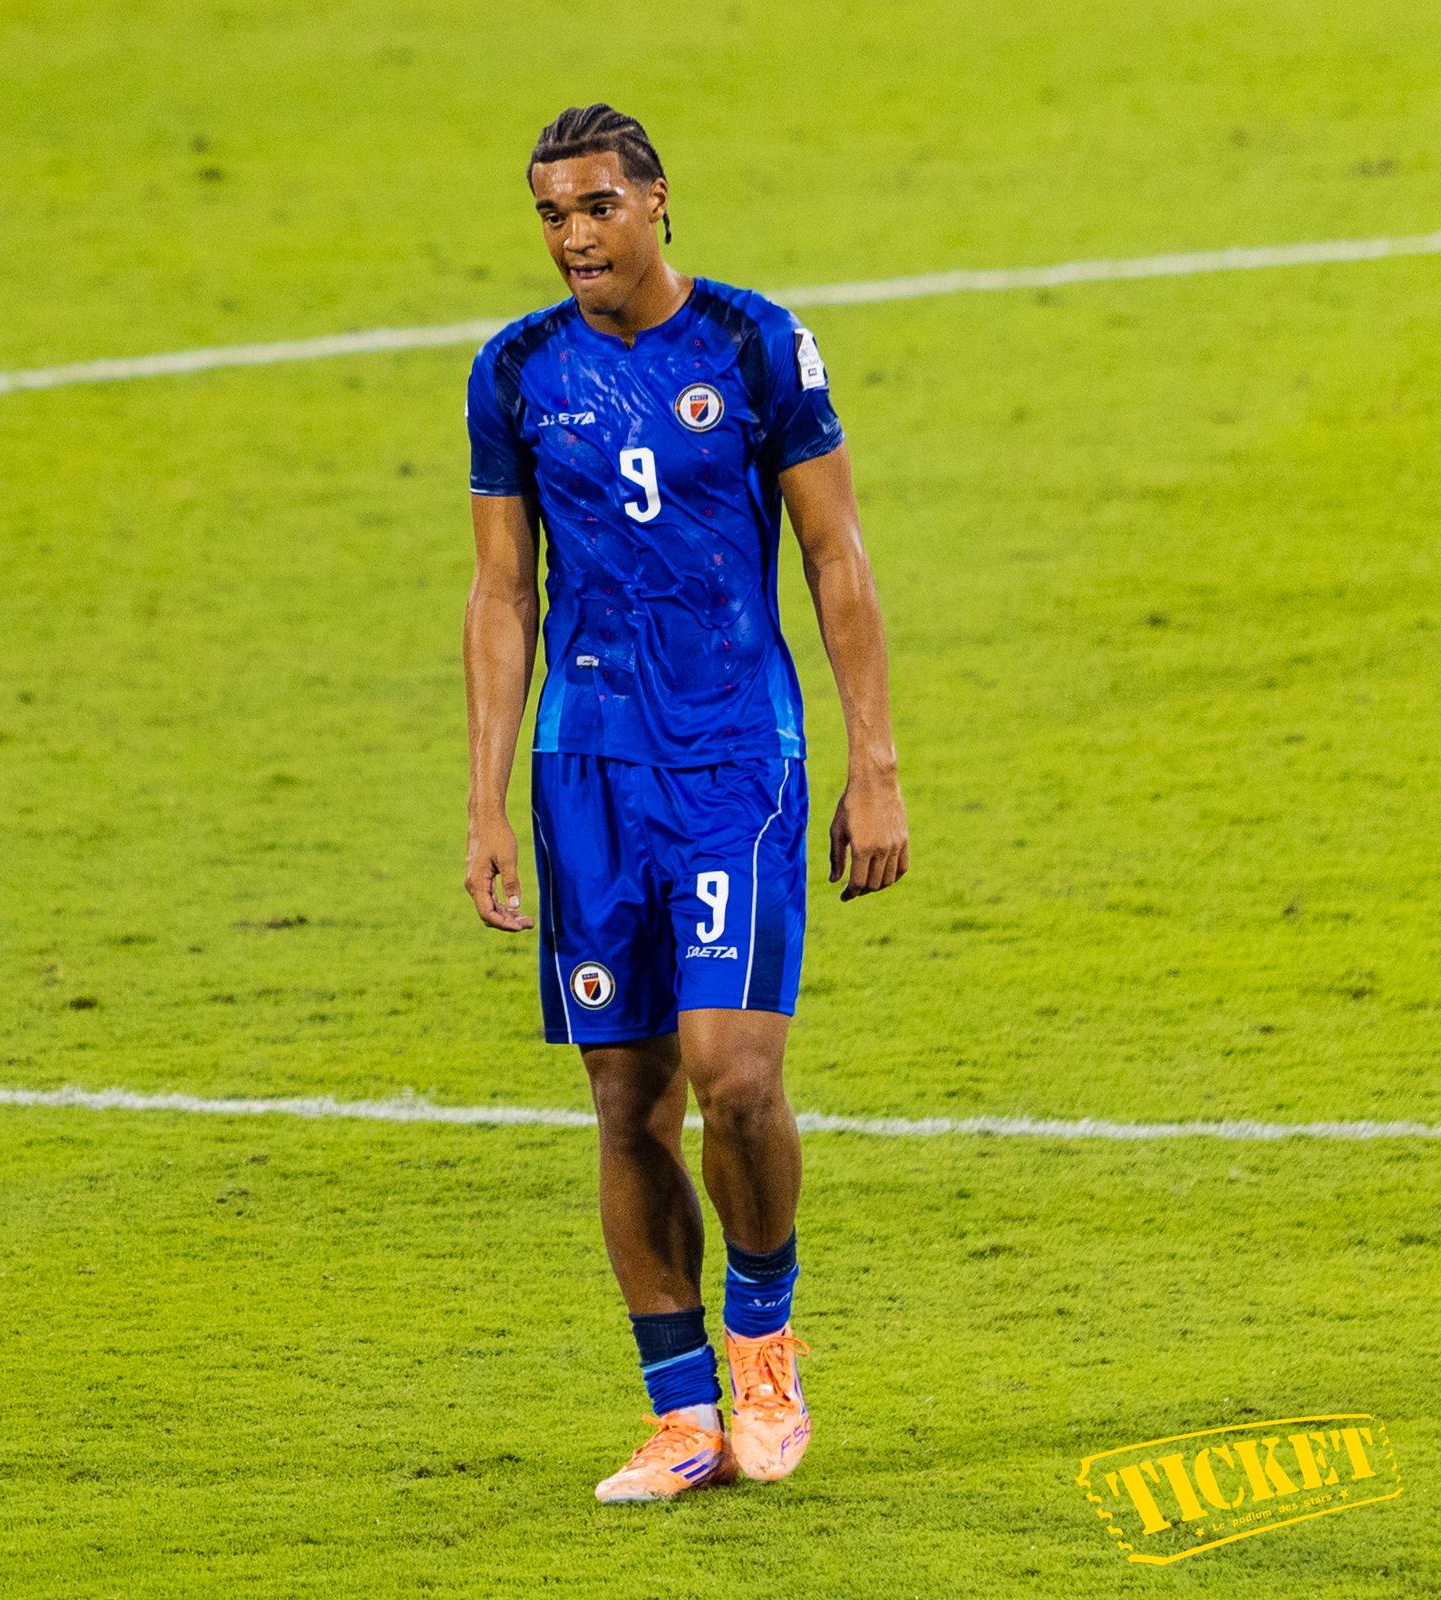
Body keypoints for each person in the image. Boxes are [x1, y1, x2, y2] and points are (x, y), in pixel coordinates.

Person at [460, 103, 909, 1503]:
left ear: (658, 203)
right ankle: (680, 1415)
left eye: (596, 206)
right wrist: (484, 803)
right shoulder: (515, 372)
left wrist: (874, 761)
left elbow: (835, 555)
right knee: (626, 1096)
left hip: (734, 758)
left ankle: (765, 1340)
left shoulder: (756, 343)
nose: (572, 236)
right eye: (550, 213)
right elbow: (499, 593)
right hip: (587, 769)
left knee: (736, 1076)